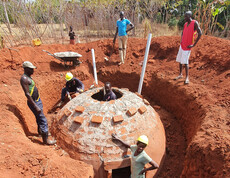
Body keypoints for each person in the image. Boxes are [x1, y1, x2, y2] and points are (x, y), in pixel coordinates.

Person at [20, 61, 56, 145]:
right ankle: (46, 140)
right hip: (34, 102)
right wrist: (35, 106)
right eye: (31, 69)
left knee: (39, 117)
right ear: (26, 69)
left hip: (37, 100)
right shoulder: (24, 79)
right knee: (43, 119)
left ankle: (41, 133)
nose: (33, 70)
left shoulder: (28, 77)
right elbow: (27, 94)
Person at [175, 11, 202, 84]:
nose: (185, 18)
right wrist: (181, 40)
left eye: (186, 16)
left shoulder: (194, 23)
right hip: (182, 44)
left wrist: (194, 44)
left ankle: (187, 78)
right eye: (185, 16)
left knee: (185, 62)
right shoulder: (185, 24)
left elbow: (200, 33)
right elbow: (183, 32)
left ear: (189, 16)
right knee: (180, 60)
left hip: (188, 46)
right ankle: (180, 74)